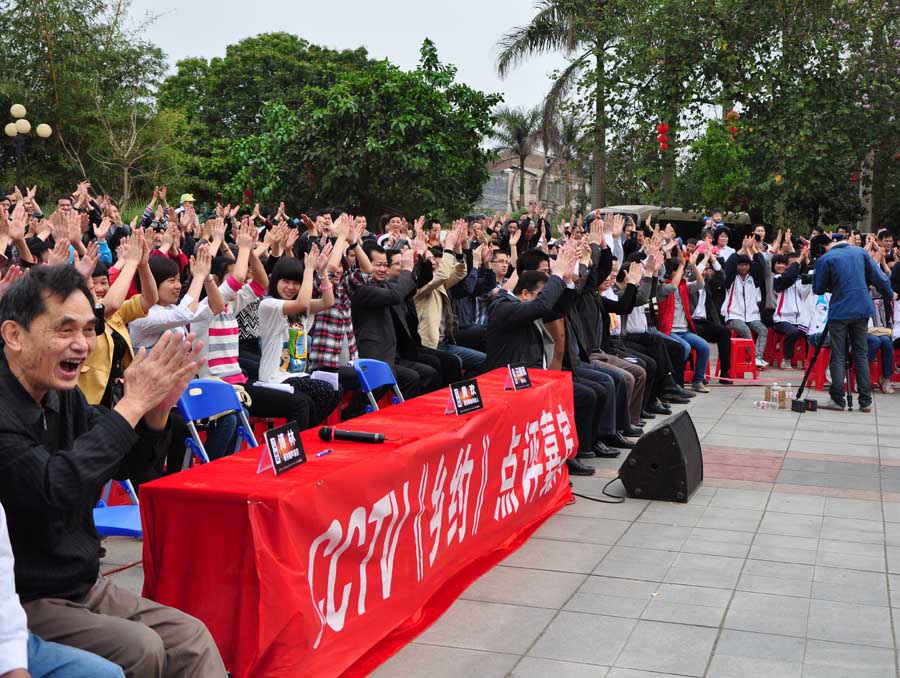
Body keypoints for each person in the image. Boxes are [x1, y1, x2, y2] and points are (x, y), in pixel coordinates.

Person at [0, 265, 227, 676]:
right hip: (23, 598)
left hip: (82, 584)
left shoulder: (63, 395)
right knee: (140, 648)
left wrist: (157, 411)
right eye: (65, 330)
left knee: (190, 638)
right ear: (14, 335)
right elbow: (55, 485)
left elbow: (129, 466)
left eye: (89, 330)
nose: (81, 345)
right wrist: (132, 404)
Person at [485, 248, 596, 476]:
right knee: (577, 397)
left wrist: (567, 281)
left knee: (583, 396)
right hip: (509, 384)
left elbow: (557, 308)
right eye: (540, 294)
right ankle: (557, 462)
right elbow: (542, 306)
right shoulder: (504, 307)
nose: (544, 300)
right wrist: (556, 275)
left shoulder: (525, 304)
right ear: (526, 293)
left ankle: (568, 455)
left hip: (533, 377)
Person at [1, 500, 126, 678]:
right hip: (39, 597)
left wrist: (11, 664)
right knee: (141, 647)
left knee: (107, 673)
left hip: (83, 584)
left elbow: (4, 595)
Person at [813, 236, 895, 412]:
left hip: (840, 310)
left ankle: (837, 399)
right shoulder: (860, 252)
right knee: (861, 354)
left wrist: (831, 283)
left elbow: (818, 289)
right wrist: (889, 294)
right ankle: (865, 401)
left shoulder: (826, 258)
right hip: (862, 309)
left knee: (838, 355)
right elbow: (879, 278)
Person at [723, 251, 768, 367]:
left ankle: (758, 357)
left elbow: (762, 266)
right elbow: (729, 265)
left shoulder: (754, 279)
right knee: (745, 331)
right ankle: (753, 357)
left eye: (746, 265)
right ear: (737, 266)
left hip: (752, 316)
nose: (743, 267)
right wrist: (740, 250)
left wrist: (754, 251)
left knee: (763, 330)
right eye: (741, 265)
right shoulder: (731, 279)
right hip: (733, 316)